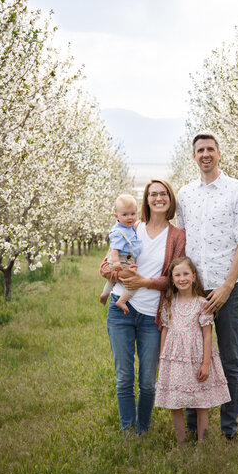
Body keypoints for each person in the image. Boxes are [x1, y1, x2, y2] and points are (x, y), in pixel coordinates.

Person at [177, 133, 238, 440]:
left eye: (210, 149)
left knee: (230, 360)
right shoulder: (185, 195)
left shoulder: (237, 190)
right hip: (193, 292)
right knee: (193, 358)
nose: (206, 154)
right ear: (194, 157)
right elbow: (179, 240)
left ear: (219, 154)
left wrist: (226, 286)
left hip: (228, 289)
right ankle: (196, 427)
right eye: (200, 150)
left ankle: (229, 429)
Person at [100, 179, 185, 435]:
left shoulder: (177, 237)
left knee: (148, 382)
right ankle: (128, 430)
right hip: (120, 310)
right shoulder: (130, 227)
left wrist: (144, 281)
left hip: (152, 317)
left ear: (170, 199)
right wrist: (124, 277)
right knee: (125, 377)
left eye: (163, 194)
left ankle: (143, 430)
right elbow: (104, 267)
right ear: (146, 200)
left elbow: (174, 280)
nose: (158, 198)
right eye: (153, 194)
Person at [155, 257, 230, 444]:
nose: (182, 278)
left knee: (200, 401)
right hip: (174, 360)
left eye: (186, 274)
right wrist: (162, 358)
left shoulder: (202, 304)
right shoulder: (169, 303)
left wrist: (206, 363)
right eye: (177, 275)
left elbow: (207, 335)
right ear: (172, 279)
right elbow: (165, 329)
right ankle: (181, 440)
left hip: (196, 359)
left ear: (194, 277)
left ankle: (202, 440)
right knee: (175, 401)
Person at [99, 194, 142, 312]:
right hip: (121, 259)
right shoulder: (119, 232)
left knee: (112, 280)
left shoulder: (128, 227)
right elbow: (115, 249)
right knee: (133, 280)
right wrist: (117, 262)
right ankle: (121, 301)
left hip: (121, 259)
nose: (130, 218)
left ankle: (105, 293)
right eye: (125, 215)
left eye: (133, 214)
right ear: (116, 216)